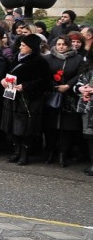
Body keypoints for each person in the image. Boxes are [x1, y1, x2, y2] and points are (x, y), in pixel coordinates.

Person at [0, 33, 53, 166]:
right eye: (21, 45)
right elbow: (8, 73)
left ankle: (25, 154)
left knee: (26, 128)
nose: (21, 47)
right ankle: (16, 151)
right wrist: (3, 80)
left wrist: (26, 86)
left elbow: (45, 82)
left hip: (30, 99)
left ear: (31, 47)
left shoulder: (40, 62)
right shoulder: (16, 58)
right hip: (13, 96)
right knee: (14, 127)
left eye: (24, 45)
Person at [42, 34, 84, 166]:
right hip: (51, 94)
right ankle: (50, 152)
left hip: (69, 96)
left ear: (69, 45)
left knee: (66, 127)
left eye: (64, 45)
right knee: (50, 126)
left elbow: (80, 74)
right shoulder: (48, 58)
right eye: (59, 44)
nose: (61, 47)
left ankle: (63, 154)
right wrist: (52, 85)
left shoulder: (77, 59)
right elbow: (43, 74)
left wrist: (68, 85)